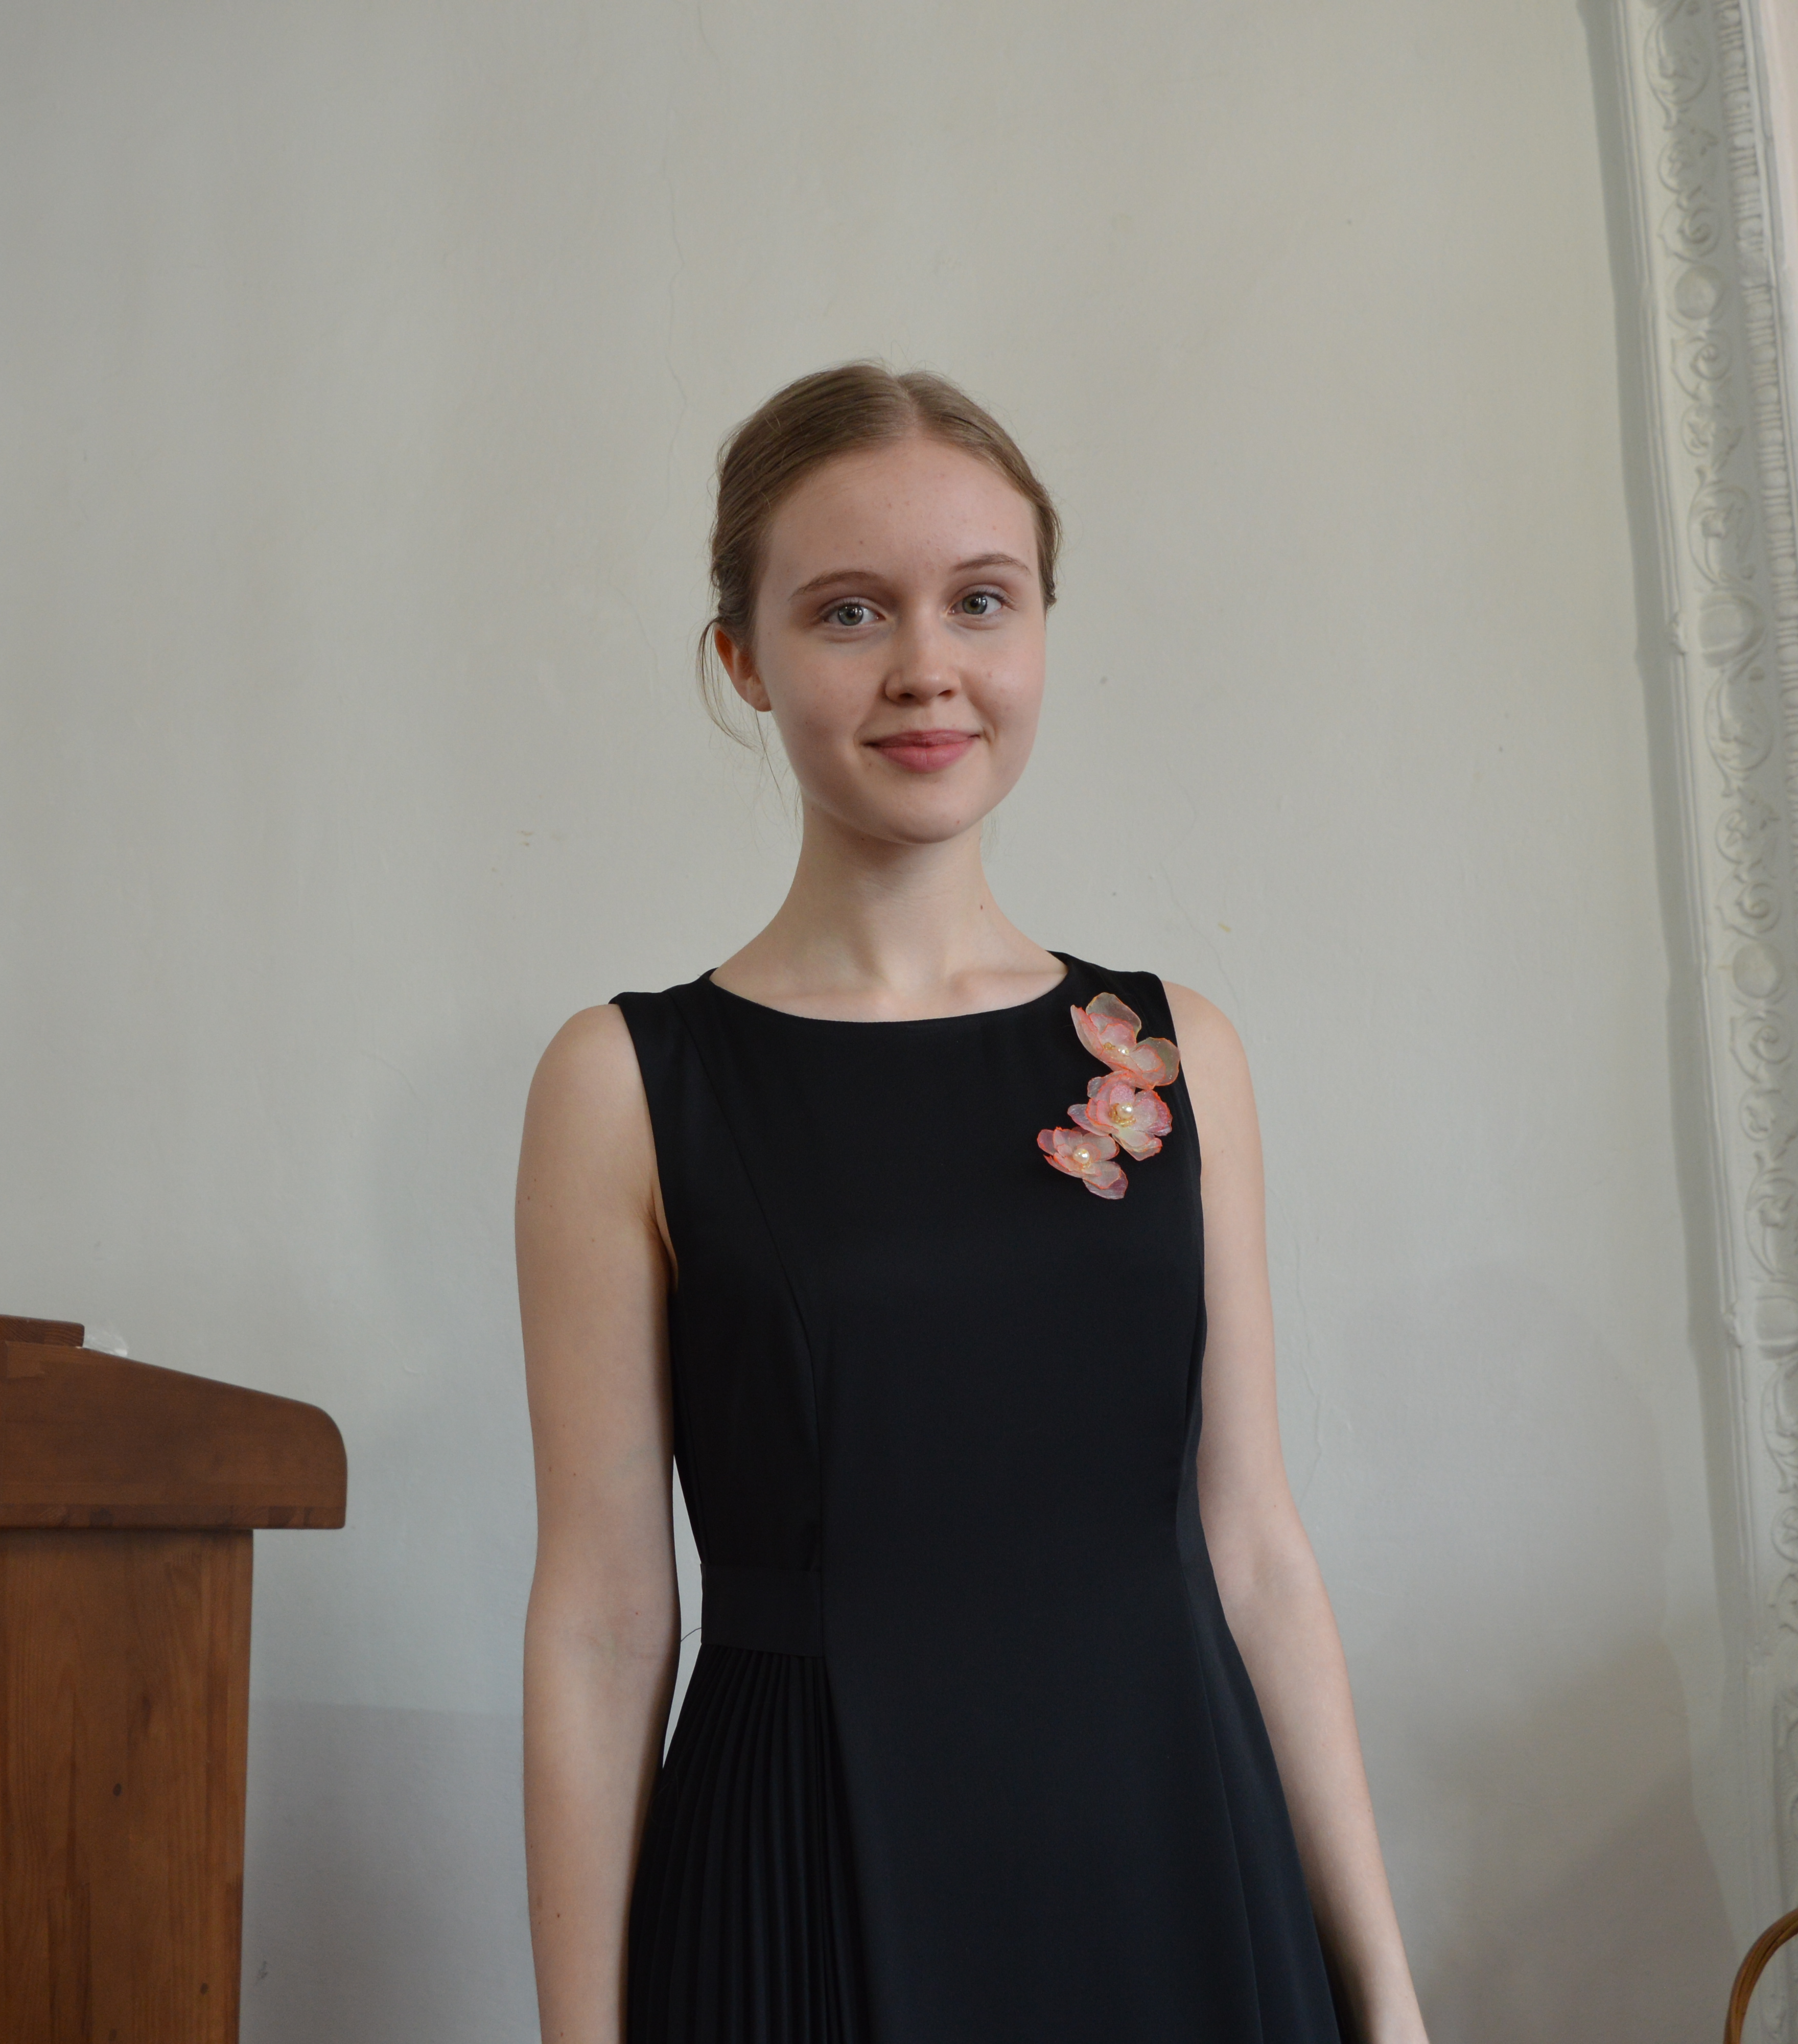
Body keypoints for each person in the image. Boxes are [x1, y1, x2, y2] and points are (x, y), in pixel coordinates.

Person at [517, 364, 1429, 2044]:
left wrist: (1384, 1985)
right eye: (850, 611)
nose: (927, 667)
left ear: (1042, 633)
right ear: (742, 658)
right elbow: (601, 1620)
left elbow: (1252, 1548)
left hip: (1176, 1865)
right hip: (805, 1879)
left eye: (982, 601)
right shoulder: (627, 1084)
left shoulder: (1176, 1051)